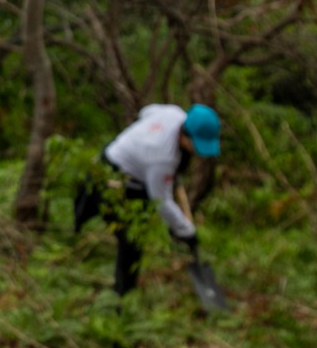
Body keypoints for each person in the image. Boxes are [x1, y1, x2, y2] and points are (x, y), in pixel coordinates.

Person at [74, 102, 221, 296]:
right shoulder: (162, 158)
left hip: (135, 171)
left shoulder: (173, 113)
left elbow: (146, 112)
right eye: (196, 144)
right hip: (112, 175)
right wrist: (187, 231)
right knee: (131, 239)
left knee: (123, 224)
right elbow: (161, 201)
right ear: (185, 137)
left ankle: (75, 237)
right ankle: (122, 296)